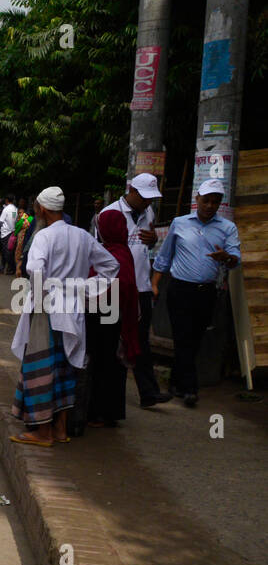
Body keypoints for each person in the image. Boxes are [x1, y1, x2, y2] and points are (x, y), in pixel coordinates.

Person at [10, 186, 119, 446]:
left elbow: (34, 269)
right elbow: (111, 266)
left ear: (43, 210)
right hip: (73, 310)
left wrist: (39, 299)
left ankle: (43, 431)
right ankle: (60, 429)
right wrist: (85, 290)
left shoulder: (44, 237)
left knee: (41, 366)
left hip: (48, 308)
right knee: (66, 367)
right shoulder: (82, 235)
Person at [150, 178, 240, 408]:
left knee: (194, 339)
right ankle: (190, 389)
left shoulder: (227, 228)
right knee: (182, 336)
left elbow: (234, 260)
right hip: (180, 289)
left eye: (215, 202)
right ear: (197, 198)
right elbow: (164, 256)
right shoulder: (179, 223)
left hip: (206, 292)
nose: (210, 205)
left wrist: (226, 258)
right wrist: (155, 283)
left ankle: (176, 383)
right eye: (206, 200)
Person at [100, 173, 167, 406]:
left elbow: (146, 246)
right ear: (131, 190)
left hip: (141, 286)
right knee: (115, 342)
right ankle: (110, 396)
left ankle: (148, 392)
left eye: (151, 198)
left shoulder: (148, 212)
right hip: (117, 288)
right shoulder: (109, 214)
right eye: (144, 197)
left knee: (140, 341)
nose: (148, 202)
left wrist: (152, 240)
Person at [86, 209, 141, 427]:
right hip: (113, 315)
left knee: (102, 364)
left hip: (106, 316)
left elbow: (119, 284)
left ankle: (101, 413)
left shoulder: (112, 254)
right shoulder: (121, 251)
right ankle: (109, 412)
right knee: (111, 365)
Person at [0, 195, 18, 274]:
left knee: (5, 251)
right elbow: (14, 220)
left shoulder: (6, 209)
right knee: (10, 250)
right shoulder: (15, 209)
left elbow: (0, 221)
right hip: (12, 232)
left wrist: (1, 226)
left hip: (5, 232)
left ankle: (9, 267)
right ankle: (5, 267)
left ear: (6, 200)